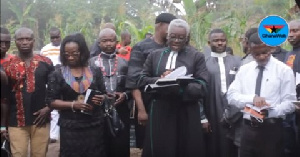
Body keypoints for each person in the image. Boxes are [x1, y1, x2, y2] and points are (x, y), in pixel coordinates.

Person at [138, 19, 209, 157]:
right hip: (160, 111)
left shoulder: (196, 56)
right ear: (167, 35)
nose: (176, 40)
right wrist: (161, 79)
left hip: (186, 111)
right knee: (161, 149)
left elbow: (203, 85)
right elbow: (141, 80)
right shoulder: (155, 55)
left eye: (181, 38)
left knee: (186, 148)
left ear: (187, 38)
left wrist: (180, 87)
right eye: (173, 37)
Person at [227, 32, 296, 157]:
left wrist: (270, 112)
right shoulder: (245, 70)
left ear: (270, 48)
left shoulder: (283, 70)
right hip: (248, 130)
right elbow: (231, 96)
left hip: (272, 130)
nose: (261, 57)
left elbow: (290, 102)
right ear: (250, 50)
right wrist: (252, 99)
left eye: (265, 52)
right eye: (256, 54)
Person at [46, 33, 107, 157]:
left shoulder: (95, 71)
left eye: (75, 53)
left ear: (83, 52)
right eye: (66, 54)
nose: (70, 57)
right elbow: (51, 101)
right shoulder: (57, 74)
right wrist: (73, 105)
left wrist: (102, 98)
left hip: (94, 125)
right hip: (70, 128)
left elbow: (105, 94)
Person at [126, 12, 176, 149]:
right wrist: (141, 110)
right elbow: (134, 81)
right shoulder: (141, 47)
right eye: (170, 27)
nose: (173, 31)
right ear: (159, 25)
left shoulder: (173, 48)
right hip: (147, 104)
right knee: (149, 145)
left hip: (170, 105)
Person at [2, 27, 54, 157]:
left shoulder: (46, 62)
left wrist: (48, 108)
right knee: (19, 154)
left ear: (33, 41)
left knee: (39, 154)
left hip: (41, 120)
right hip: (16, 121)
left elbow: (55, 90)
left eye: (28, 39)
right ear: (15, 41)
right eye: (20, 39)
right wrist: (3, 126)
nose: (24, 42)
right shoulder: (7, 66)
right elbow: (4, 98)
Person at [90, 28, 131, 157]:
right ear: (99, 43)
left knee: (120, 145)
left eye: (111, 41)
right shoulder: (91, 63)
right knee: (100, 145)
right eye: (105, 41)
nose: (108, 44)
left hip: (120, 109)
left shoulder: (124, 63)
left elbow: (133, 86)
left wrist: (125, 95)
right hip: (97, 111)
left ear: (117, 42)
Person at [205, 29, 241, 157]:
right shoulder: (204, 63)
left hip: (235, 111)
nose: (220, 43)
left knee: (234, 144)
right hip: (212, 108)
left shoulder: (237, 61)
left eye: (222, 40)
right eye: (216, 40)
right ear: (209, 43)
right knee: (214, 143)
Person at [40, 27, 61, 143]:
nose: (55, 39)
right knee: (52, 107)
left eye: (57, 37)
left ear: (60, 35)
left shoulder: (65, 47)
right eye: (53, 37)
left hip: (64, 80)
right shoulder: (45, 50)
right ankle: (53, 135)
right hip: (50, 81)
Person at [286, 19, 300, 157]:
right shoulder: (288, 54)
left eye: (295, 31)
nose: (290, 34)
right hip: (291, 109)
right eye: (289, 31)